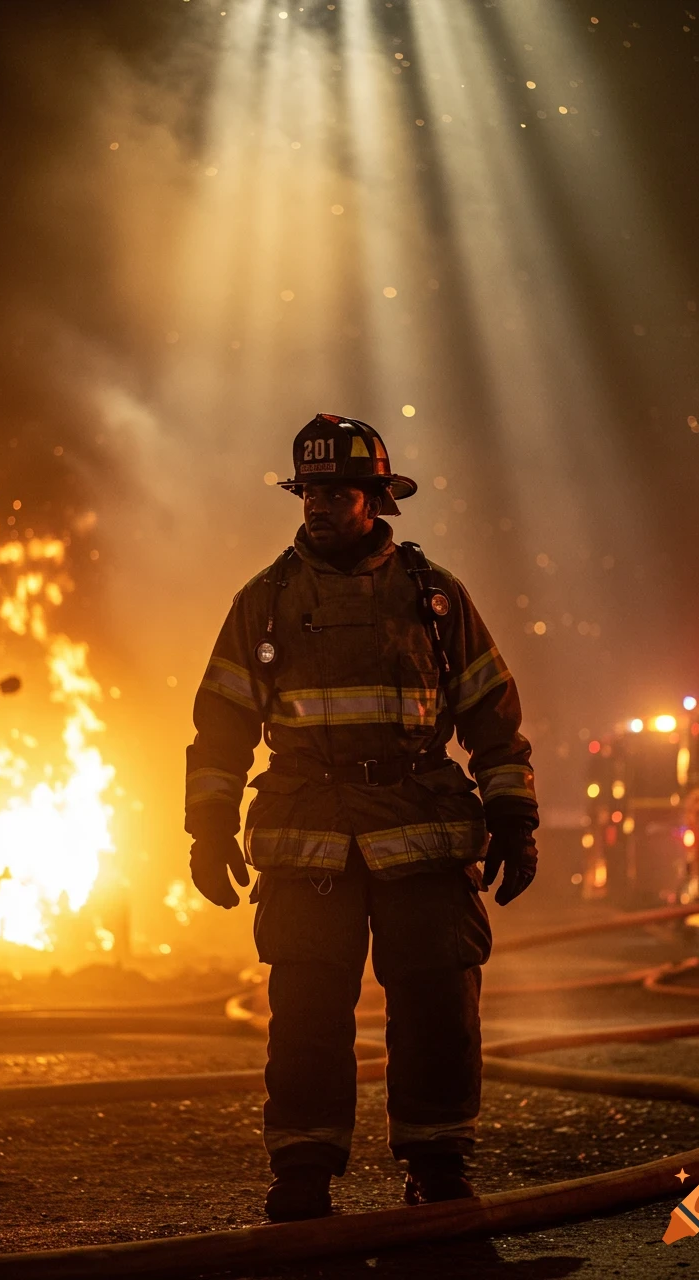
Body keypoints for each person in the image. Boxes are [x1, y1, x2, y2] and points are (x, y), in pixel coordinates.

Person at [185, 413, 538, 1221]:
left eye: (337, 490)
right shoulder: (264, 602)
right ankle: (304, 1169)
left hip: (419, 823)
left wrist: (514, 815)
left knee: (438, 1004)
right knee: (307, 1011)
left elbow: (491, 714)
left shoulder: (435, 598)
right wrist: (206, 827)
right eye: (309, 489)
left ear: (376, 498)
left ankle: (438, 1164)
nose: (319, 504)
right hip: (308, 826)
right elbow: (222, 725)